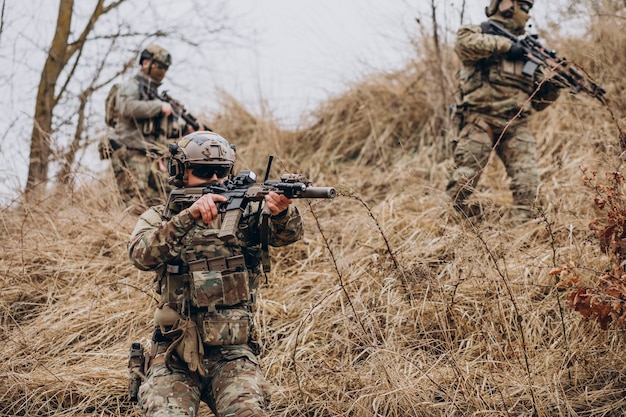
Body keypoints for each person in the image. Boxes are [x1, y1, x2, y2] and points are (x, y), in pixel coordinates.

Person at [128, 131, 304, 417]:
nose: (213, 179)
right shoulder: (160, 217)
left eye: (220, 171)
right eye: (202, 171)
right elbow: (140, 254)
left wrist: (282, 213)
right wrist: (188, 217)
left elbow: (287, 235)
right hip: (174, 354)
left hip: (233, 354)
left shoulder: (245, 213)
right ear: (180, 173)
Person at [446, 0, 561, 223]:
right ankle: (448, 228)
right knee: (464, 180)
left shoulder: (530, 53)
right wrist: (509, 47)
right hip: (479, 120)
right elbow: (463, 44)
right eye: (525, 9)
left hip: (516, 125)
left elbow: (538, 103)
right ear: (507, 6)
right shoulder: (478, 32)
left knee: (528, 183)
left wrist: (553, 86)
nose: (528, 16)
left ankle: (522, 235)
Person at [109, 44, 192, 211]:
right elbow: (126, 107)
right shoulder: (133, 85)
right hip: (129, 150)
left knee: (164, 197)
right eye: (159, 66)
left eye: (165, 68)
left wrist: (187, 131)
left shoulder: (153, 93)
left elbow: (161, 130)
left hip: (150, 155)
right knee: (135, 203)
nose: (162, 71)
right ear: (146, 63)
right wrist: (158, 107)